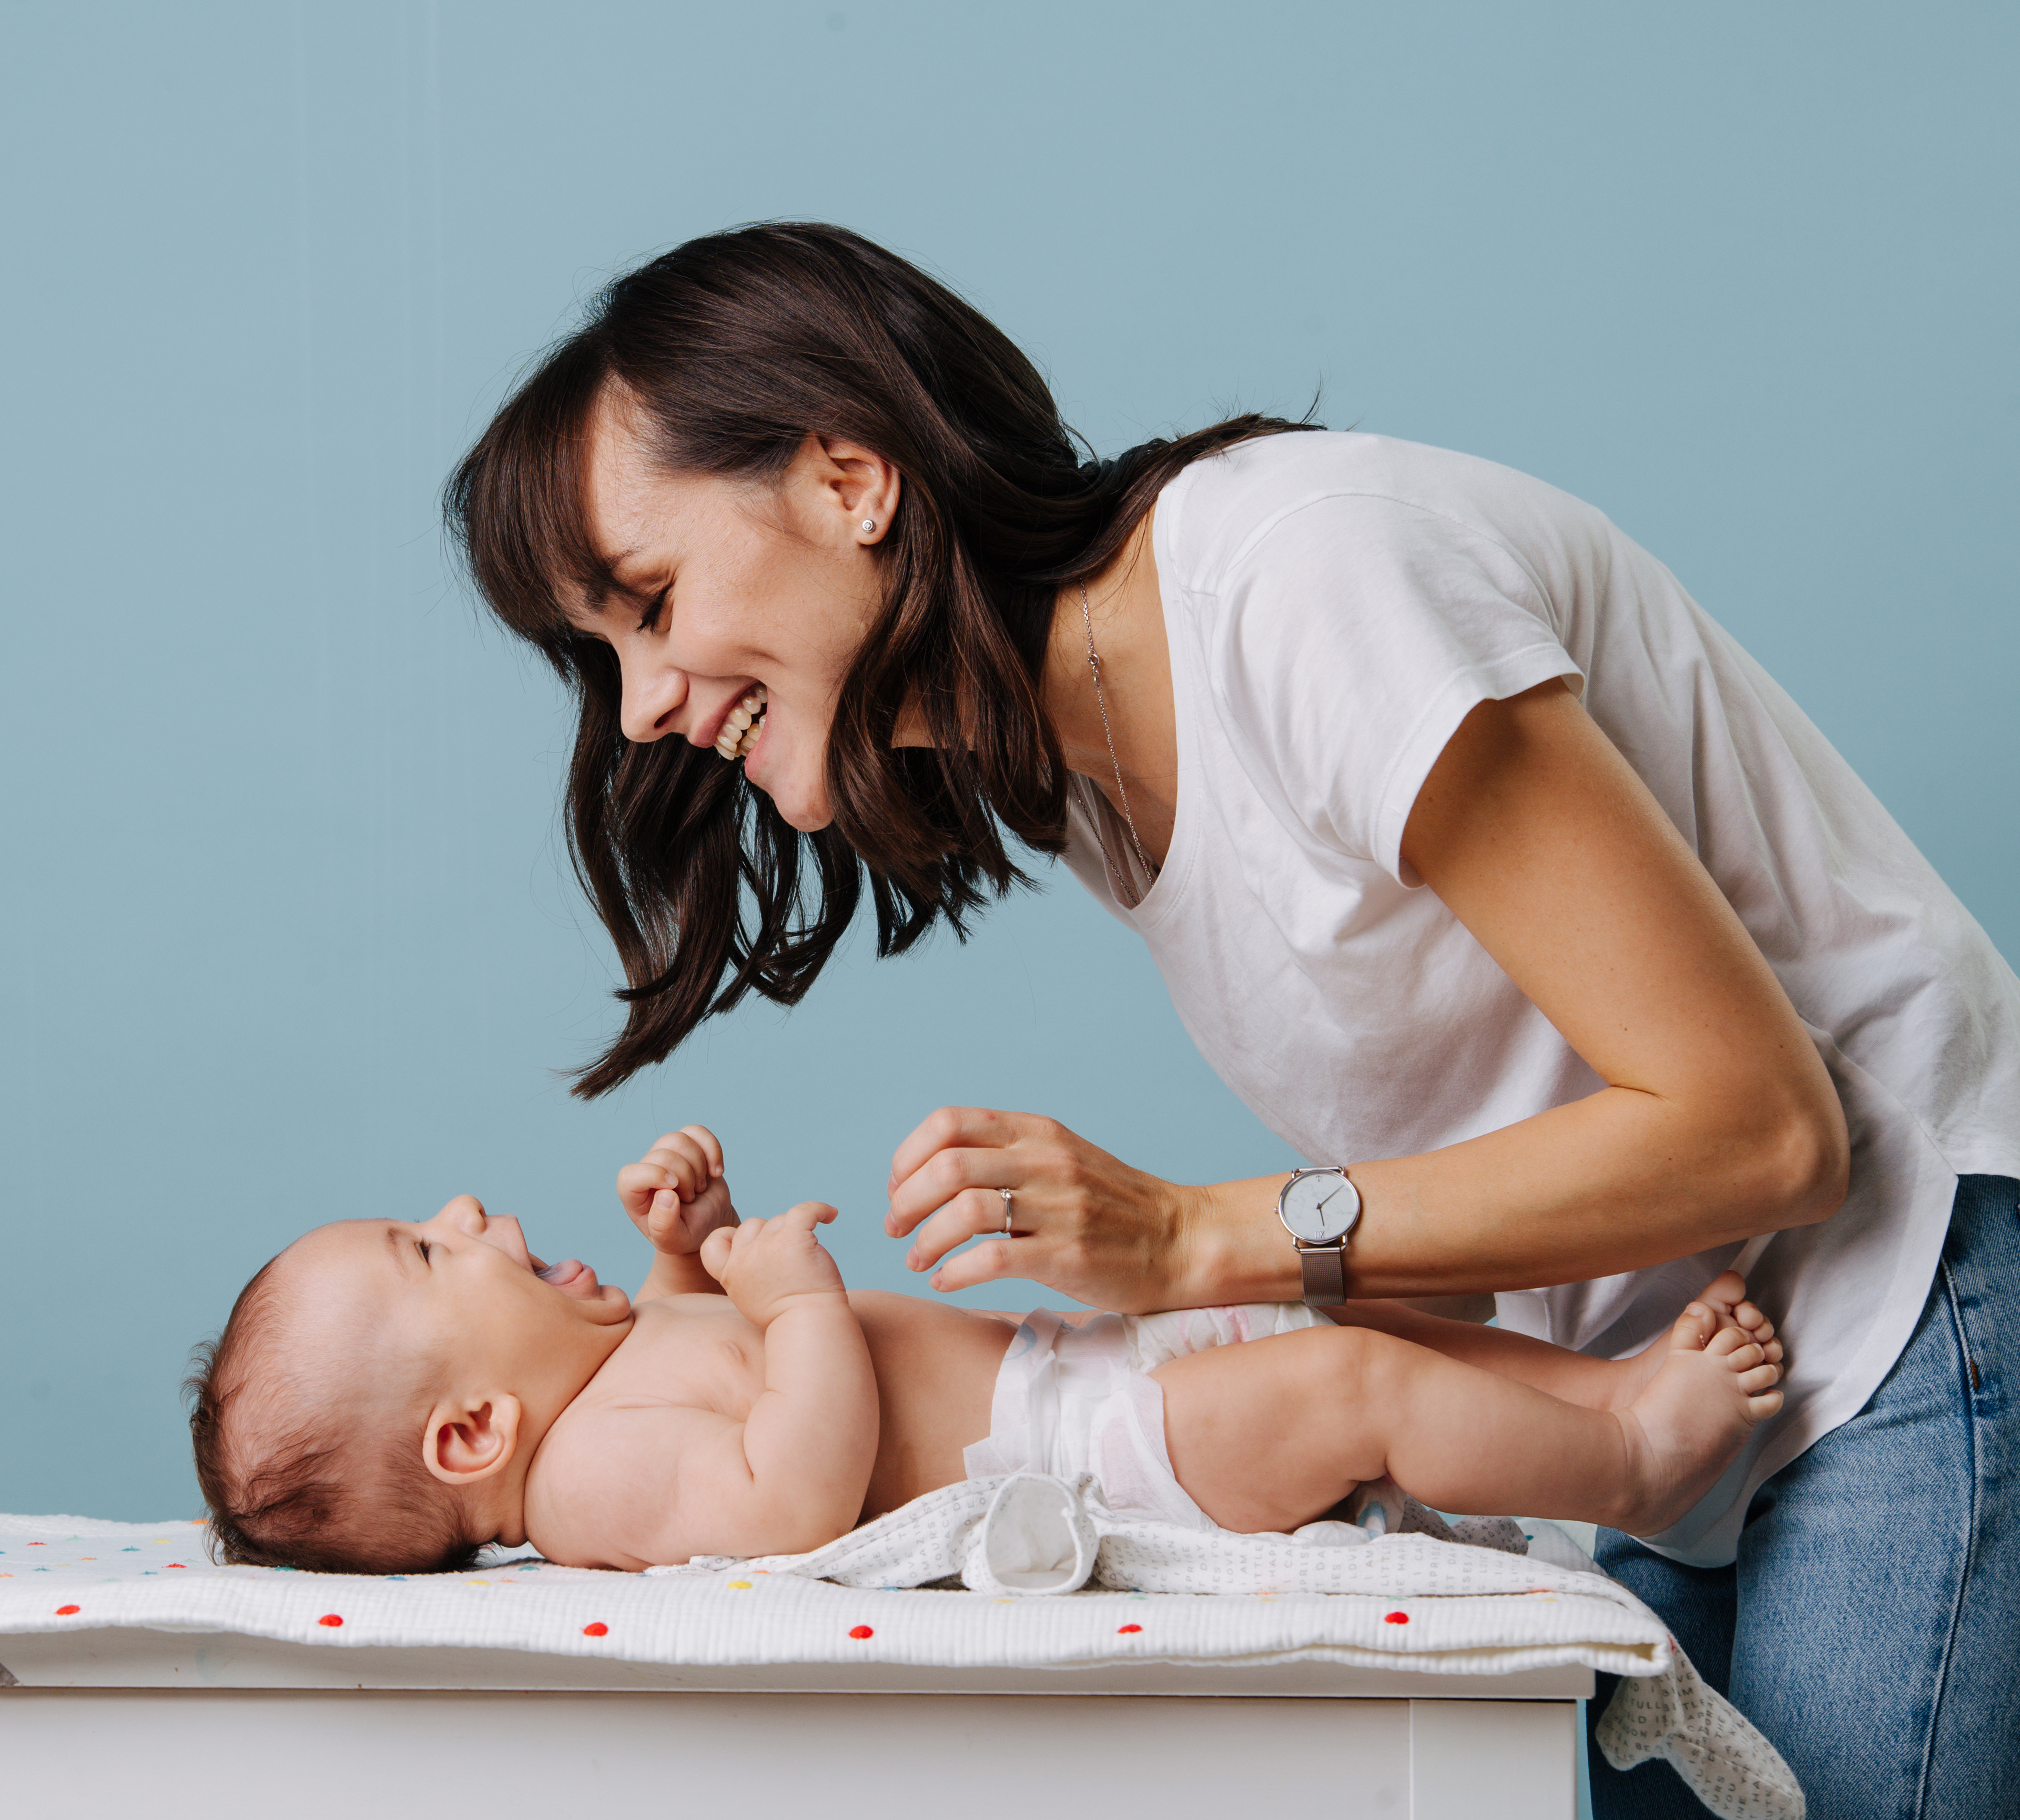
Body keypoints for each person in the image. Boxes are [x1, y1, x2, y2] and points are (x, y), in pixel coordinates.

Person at [440, 223, 2017, 1818]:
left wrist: (1199, 1242)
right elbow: (1495, 1136)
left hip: (1901, 1303)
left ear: (851, 481)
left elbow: (1765, 1128)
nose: (640, 704)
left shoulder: (1304, 584)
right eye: (605, 654)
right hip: (1685, 1380)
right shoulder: (1092, 780)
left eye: (648, 601)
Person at [186, 1126, 1785, 1575]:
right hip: (1086, 1467)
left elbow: (691, 1343)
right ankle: (1639, 1465)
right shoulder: (590, 1480)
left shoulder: (597, 1379)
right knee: (1348, 1389)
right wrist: (798, 1302)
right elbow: (781, 1497)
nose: (465, 1205)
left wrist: (696, 1240)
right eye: (425, 1246)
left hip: (1077, 1369)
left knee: (1354, 1312)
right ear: (471, 1437)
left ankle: (1612, 1403)